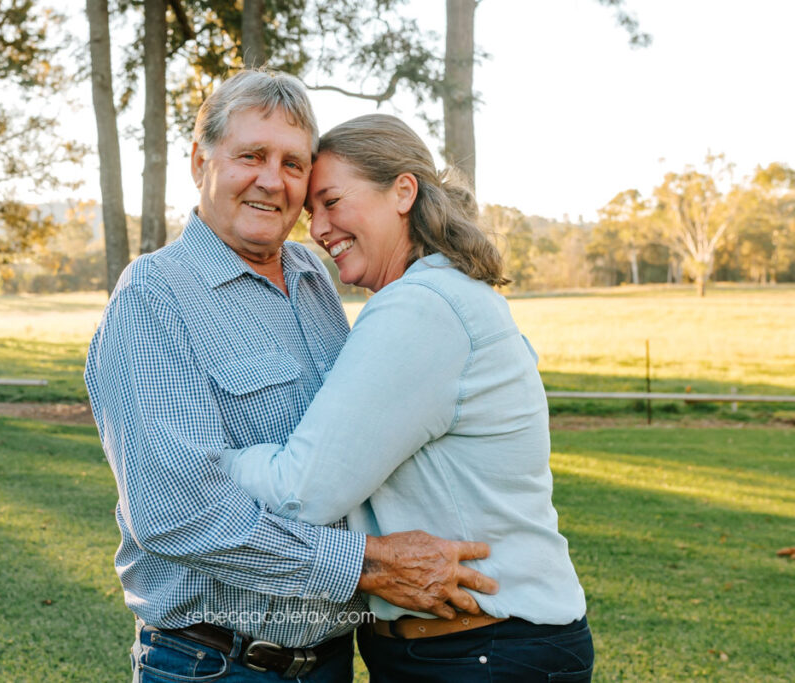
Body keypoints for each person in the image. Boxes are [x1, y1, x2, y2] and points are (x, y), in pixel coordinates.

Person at [85, 71, 497, 682]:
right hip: (218, 663)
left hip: (331, 660)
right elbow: (175, 511)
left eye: (293, 164)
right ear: (201, 160)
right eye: (251, 155)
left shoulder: (313, 275)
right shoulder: (155, 296)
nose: (272, 180)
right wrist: (364, 566)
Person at [218, 113, 594, 682]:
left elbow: (303, 493)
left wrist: (205, 463)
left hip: (482, 654)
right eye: (313, 210)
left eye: (333, 201)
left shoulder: (422, 307)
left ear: (403, 191)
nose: (318, 228)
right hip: (464, 650)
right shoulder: (447, 293)